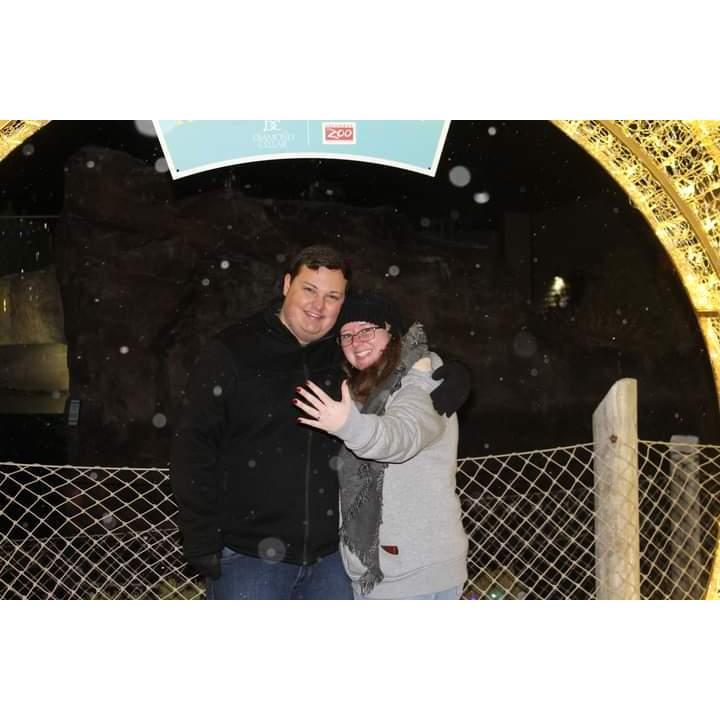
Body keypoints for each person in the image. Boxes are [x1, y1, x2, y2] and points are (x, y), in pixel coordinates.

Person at [170, 245, 469, 599]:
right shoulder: (232, 351)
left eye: (332, 296)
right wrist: (199, 535)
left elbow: (394, 353)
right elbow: (193, 446)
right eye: (309, 289)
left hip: (331, 560)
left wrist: (455, 368)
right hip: (250, 556)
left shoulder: (339, 350)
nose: (319, 305)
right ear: (287, 285)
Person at [295, 291, 469, 599]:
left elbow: (401, 435)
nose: (356, 341)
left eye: (366, 330)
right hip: (386, 569)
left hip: (416, 572)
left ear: (391, 332)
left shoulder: (422, 375)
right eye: (347, 335)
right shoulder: (361, 388)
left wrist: (347, 426)